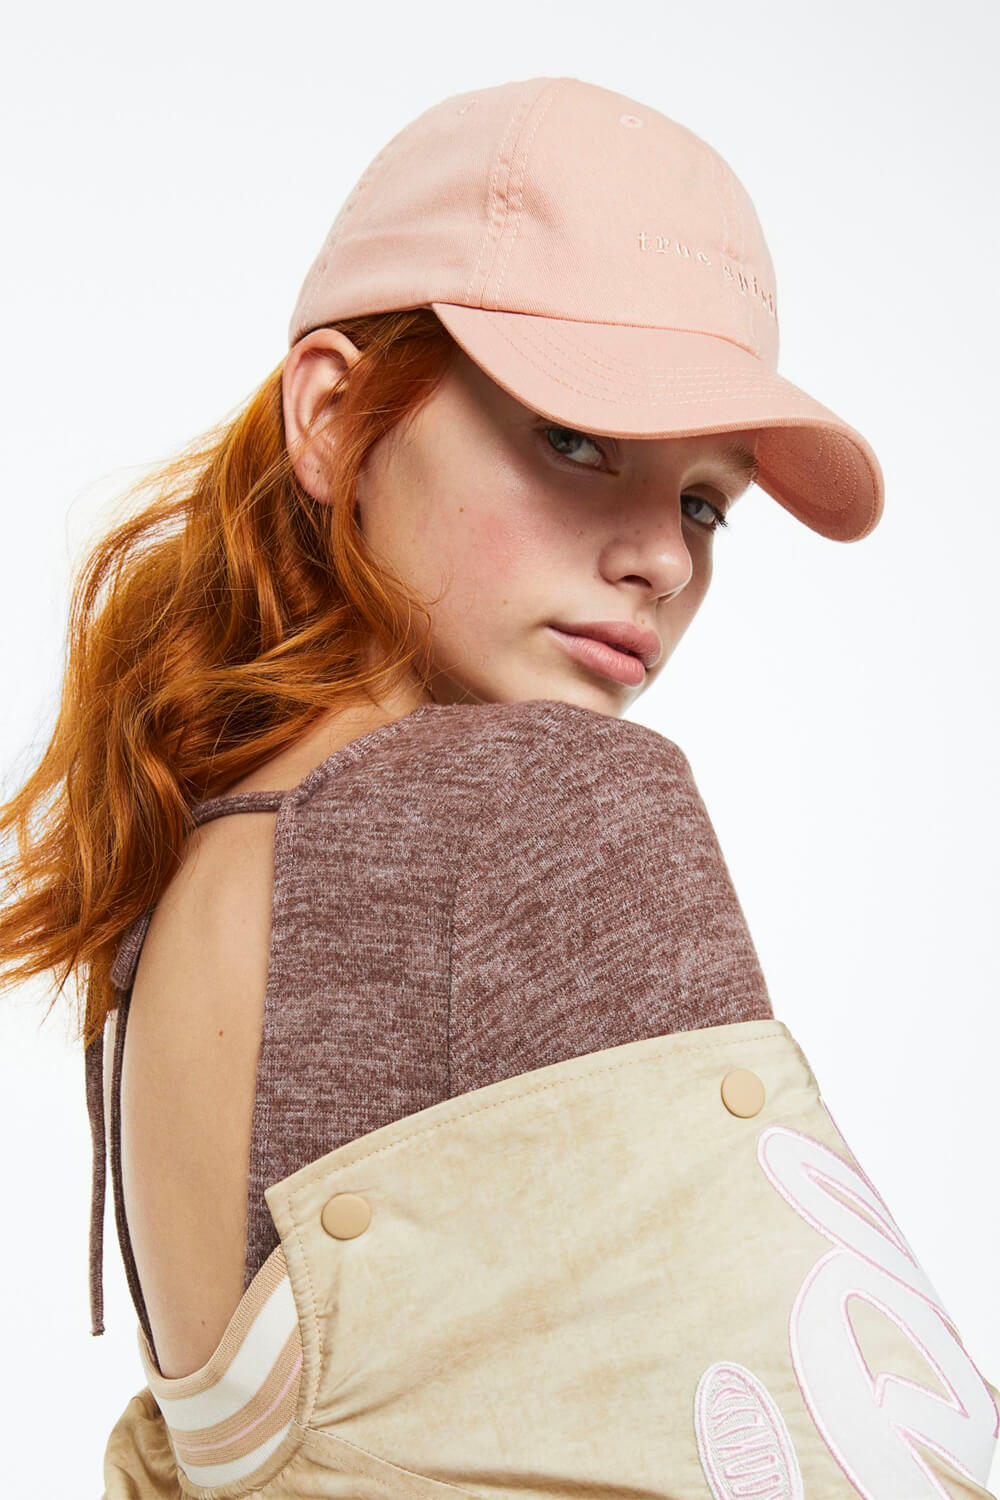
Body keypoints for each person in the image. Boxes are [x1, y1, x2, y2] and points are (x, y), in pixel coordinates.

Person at [2, 75, 997, 1499]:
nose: (664, 557)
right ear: (336, 417)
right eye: (575, 440)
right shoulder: (531, 810)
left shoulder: (181, 873)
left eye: (704, 501)